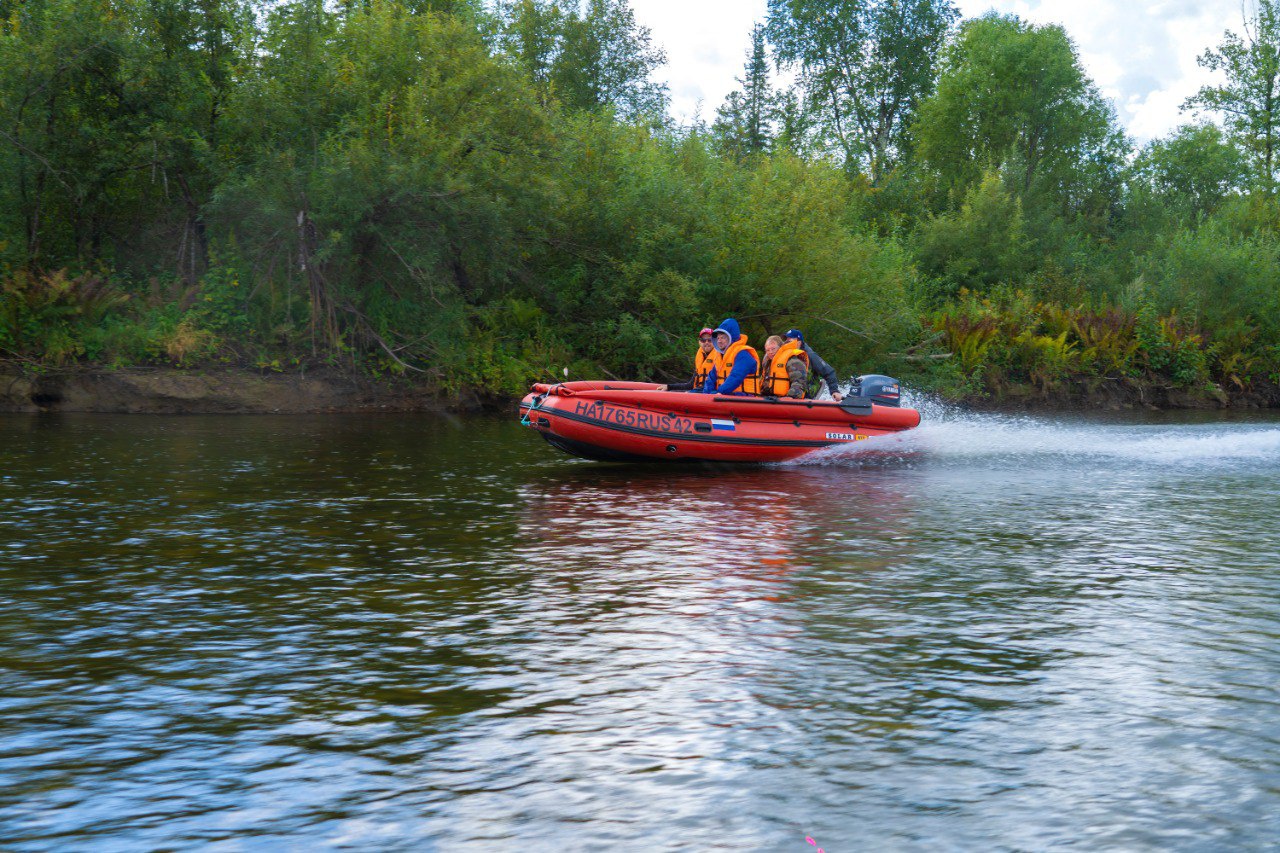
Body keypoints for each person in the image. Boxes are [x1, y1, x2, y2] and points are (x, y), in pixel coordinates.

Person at [702, 318, 760, 395]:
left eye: (722, 337)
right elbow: (711, 378)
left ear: (731, 338)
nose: (719, 341)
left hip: (746, 397)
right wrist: (706, 393)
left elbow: (736, 376)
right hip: (726, 395)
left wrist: (720, 392)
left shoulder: (743, 355)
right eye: (718, 338)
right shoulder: (721, 356)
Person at [784, 329, 843, 401]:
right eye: (786, 340)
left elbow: (829, 372)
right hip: (791, 390)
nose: (786, 342)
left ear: (798, 342)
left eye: (789, 340)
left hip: (807, 391)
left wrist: (834, 391)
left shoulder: (810, 355)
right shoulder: (785, 354)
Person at [657, 328, 716, 392]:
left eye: (709, 340)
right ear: (700, 342)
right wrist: (669, 387)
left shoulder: (718, 357)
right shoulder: (700, 359)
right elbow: (690, 385)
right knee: (670, 391)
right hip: (698, 392)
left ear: (714, 341)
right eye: (703, 340)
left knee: (676, 393)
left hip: (709, 393)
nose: (706, 342)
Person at [760, 334, 809, 399]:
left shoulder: (792, 360)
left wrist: (791, 397)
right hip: (769, 397)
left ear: (780, 347)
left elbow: (799, 380)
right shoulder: (767, 362)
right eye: (768, 350)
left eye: (773, 349)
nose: (770, 352)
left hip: (786, 399)